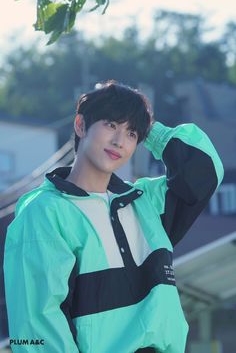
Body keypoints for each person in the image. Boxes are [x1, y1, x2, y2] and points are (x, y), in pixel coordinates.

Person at [4, 80, 224, 353]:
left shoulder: (146, 204)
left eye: (131, 134)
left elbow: (205, 170)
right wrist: (133, 118)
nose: (120, 141)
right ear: (81, 125)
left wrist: (146, 125)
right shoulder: (44, 212)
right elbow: (35, 326)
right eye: (110, 125)